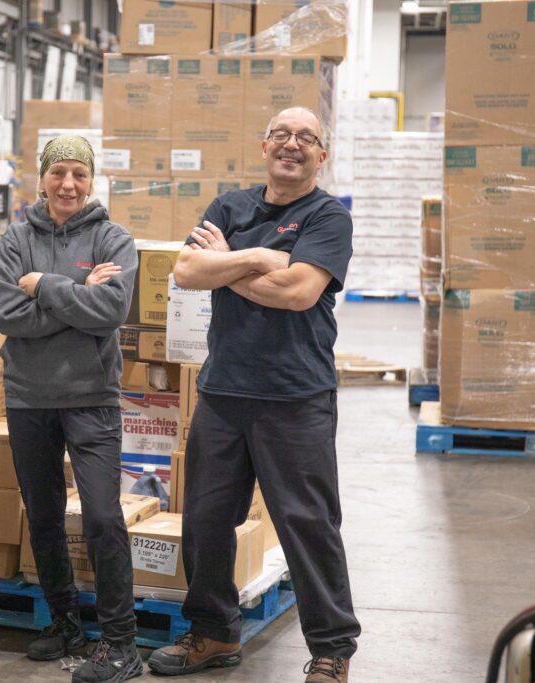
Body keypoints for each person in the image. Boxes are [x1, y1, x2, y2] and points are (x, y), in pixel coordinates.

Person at [146, 107, 360, 683]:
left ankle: (332, 651)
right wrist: (262, 256)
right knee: (206, 519)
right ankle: (213, 633)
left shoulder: (327, 217)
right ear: (264, 144)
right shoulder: (229, 207)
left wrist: (227, 262)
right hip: (223, 392)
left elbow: (297, 293)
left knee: (307, 523)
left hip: (295, 395)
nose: (292, 145)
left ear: (322, 155)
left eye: (306, 138)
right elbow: (187, 272)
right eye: (282, 135)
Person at [0, 134, 142, 683]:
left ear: (92, 179)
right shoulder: (13, 241)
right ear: (43, 178)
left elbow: (112, 310)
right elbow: (8, 314)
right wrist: (77, 290)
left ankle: (121, 644)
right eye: (59, 173)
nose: (68, 184)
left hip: (91, 399)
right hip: (29, 398)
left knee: (103, 516)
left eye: (79, 173)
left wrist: (45, 286)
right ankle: (65, 624)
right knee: (44, 515)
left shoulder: (114, 239)